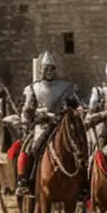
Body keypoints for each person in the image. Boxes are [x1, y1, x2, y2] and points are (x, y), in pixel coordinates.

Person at [17, 51, 81, 197]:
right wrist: (42, 115)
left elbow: (76, 104)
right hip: (43, 126)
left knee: (79, 148)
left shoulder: (65, 87)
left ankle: (83, 184)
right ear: (41, 70)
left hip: (62, 125)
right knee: (30, 149)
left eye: (52, 68)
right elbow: (27, 111)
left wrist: (78, 110)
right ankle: (25, 181)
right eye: (46, 68)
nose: (49, 72)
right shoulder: (33, 88)